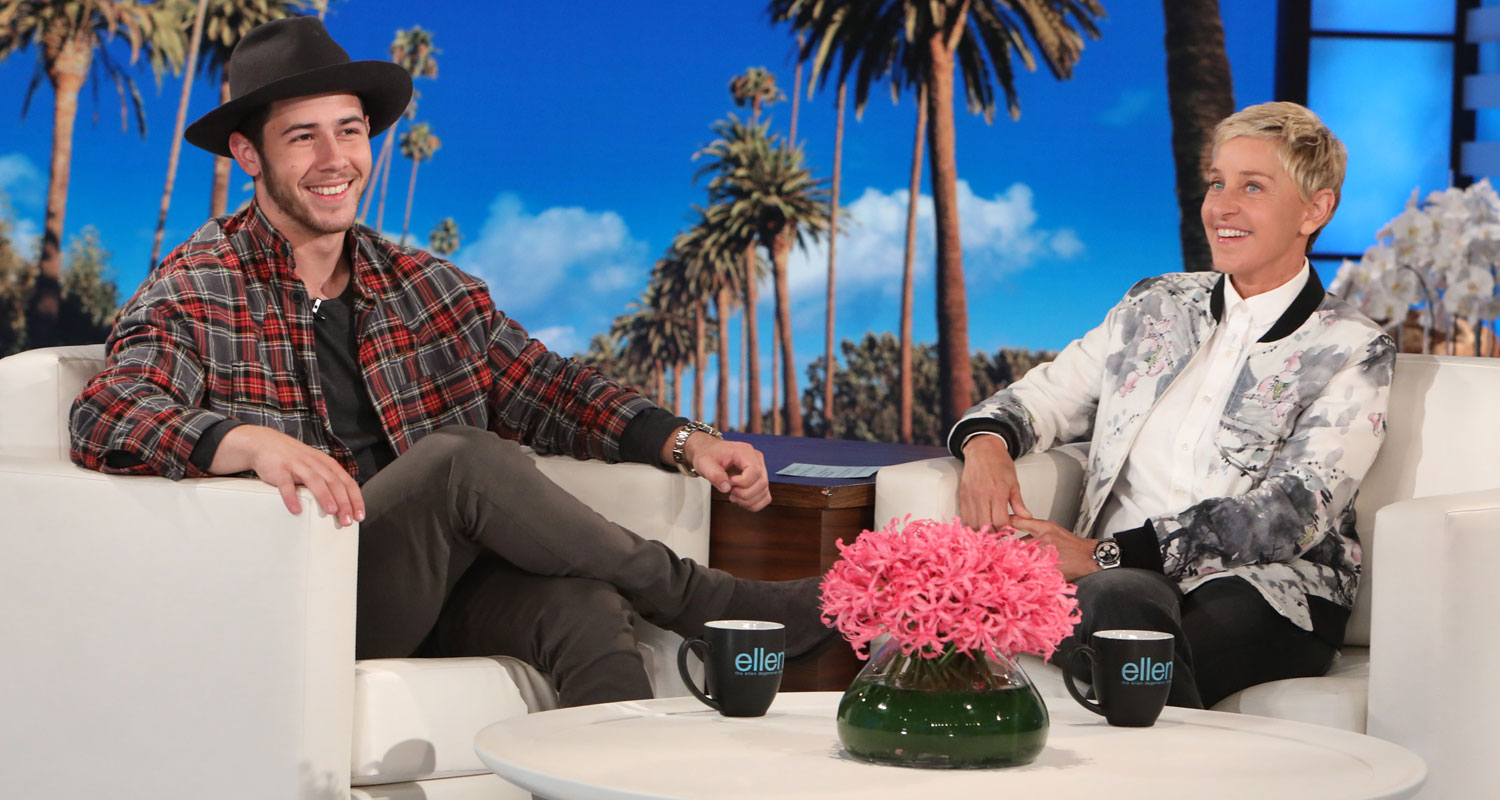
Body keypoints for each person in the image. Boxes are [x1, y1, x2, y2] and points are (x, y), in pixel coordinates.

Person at [68, 17, 830, 708]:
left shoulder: (425, 286)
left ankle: (615, 782)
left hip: (429, 588)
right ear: (248, 154)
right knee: (460, 460)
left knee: (587, 611)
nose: (335, 160)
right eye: (302, 137)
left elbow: (549, 390)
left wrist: (686, 442)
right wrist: (248, 442)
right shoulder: (199, 286)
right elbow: (109, 411)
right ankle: (707, 601)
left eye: (349, 132)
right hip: (302, 598)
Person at [950, 101, 1395, 708]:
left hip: (1269, 591)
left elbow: (1294, 511)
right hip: (1115, 582)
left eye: (1252, 187)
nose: (1222, 207)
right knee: (1118, 606)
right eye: (1216, 183)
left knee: (1129, 620)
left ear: (1315, 209)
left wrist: (1106, 554)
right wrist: (986, 446)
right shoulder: (1153, 305)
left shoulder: (1353, 346)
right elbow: (1045, 396)